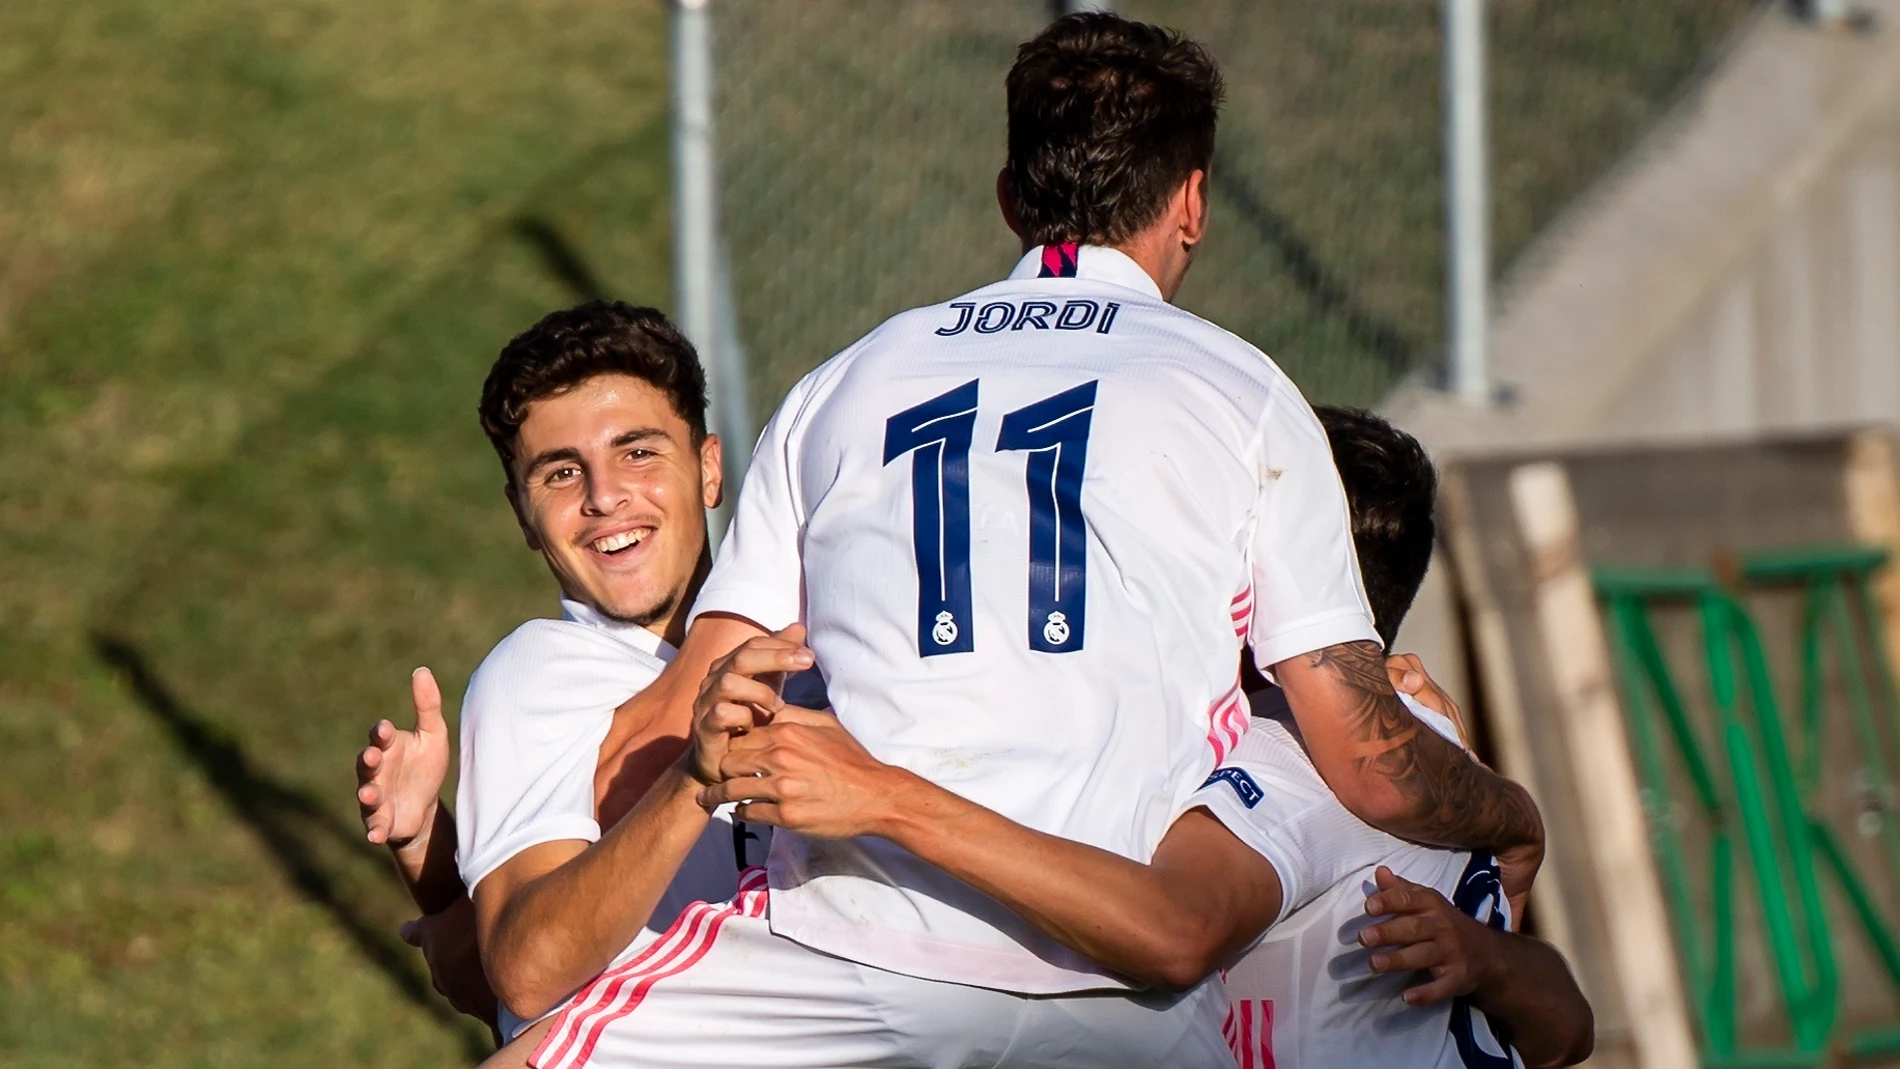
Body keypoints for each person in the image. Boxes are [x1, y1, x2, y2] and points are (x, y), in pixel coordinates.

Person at [368, 13, 1541, 1068]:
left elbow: (678, 717)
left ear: (1007, 199)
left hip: (858, 963)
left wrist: (468, 852)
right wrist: (1503, 812)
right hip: (1116, 989)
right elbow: (1366, 760)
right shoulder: (1247, 393)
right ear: (1191, 200)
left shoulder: (847, 382)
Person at [692, 407, 1592, 1069]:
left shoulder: (1301, 766)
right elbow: (1565, 1029)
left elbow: (1174, 930)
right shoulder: (1416, 734)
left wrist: (885, 795)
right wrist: (1501, 922)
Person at [354, 300, 772, 1041]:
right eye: (560, 474)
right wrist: (691, 783)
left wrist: (442, 883)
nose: (604, 496)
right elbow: (530, 973)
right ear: (521, 513)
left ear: (709, 468)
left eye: (638, 452)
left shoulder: (819, 637)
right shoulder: (538, 676)